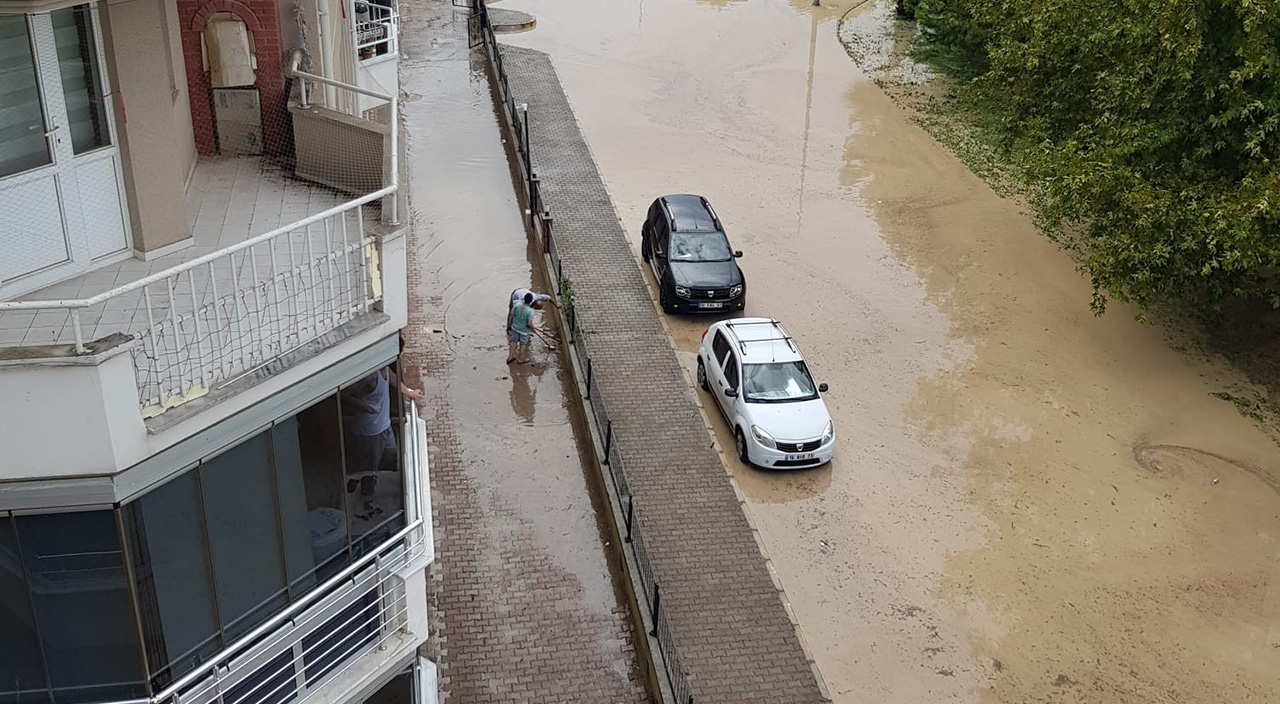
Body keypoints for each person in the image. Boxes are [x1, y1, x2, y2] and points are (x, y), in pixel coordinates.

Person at [342, 334, 423, 498]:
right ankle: (365, 498)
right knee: (369, 469)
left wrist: (409, 392)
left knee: (390, 457)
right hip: (370, 432)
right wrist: (364, 407)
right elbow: (342, 395)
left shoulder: (384, 367)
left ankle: (363, 484)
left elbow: (393, 379)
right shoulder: (368, 378)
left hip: (384, 426)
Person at [507, 292, 539, 364]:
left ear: (524, 299)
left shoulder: (517, 305)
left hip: (515, 328)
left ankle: (510, 357)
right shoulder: (530, 311)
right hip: (524, 331)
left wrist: (509, 323)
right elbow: (529, 323)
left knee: (513, 342)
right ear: (531, 301)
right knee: (523, 344)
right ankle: (521, 359)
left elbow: (511, 314)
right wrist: (533, 329)